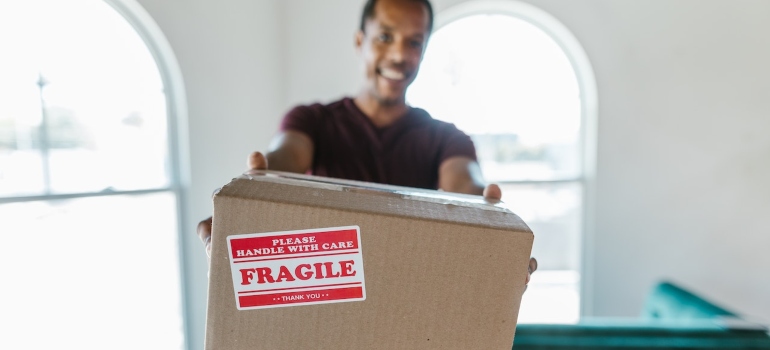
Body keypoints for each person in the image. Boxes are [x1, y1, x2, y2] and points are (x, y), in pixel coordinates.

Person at [197, 0, 537, 284]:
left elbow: (464, 186)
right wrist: (251, 189)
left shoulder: (447, 139)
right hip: (331, 293)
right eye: (385, 37)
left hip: (410, 293)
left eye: (414, 42)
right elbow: (286, 158)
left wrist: (494, 227)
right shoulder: (311, 121)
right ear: (360, 41)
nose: (398, 55)